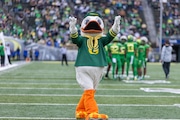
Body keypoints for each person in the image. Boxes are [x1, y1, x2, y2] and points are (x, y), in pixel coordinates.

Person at [69, 12, 121, 120]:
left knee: (90, 91)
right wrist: (72, 27)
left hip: (99, 67)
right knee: (89, 91)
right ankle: (92, 113)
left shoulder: (101, 40)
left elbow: (112, 35)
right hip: (83, 66)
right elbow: (74, 38)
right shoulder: (82, 40)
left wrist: (116, 25)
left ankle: (80, 111)